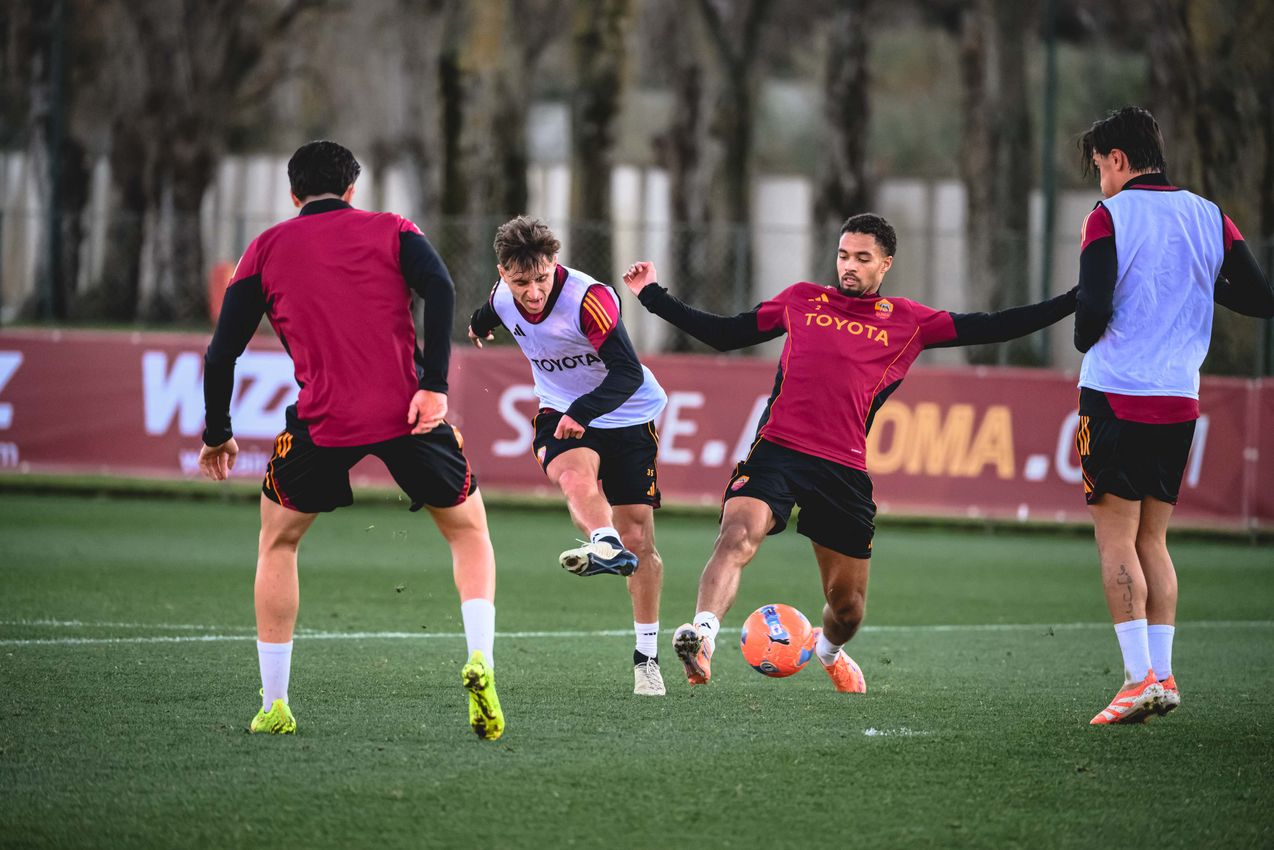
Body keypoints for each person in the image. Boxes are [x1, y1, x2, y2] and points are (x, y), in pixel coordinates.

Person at [621, 213, 1076, 693]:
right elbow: (726, 334)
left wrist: (1071, 301)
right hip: (777, 451)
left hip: (842, 470)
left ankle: (829, 650)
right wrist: (653, 294)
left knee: (848, 608)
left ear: (885, 265)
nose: (849, 266)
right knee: (736, 535)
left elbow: (994, 326)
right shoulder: (801, 300)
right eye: (843, 256)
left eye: (862, 258)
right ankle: (703, 635)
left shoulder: (909, 321)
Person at [198, 140, 505, 739]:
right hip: (409, 412)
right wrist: (435, 385)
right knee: (469, 534)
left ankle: (276, 703)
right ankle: (480, 660)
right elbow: (441, 288)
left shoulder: (264, 248)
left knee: (278, 545)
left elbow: (221, 352)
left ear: (293, 194)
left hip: (321, 420)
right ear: (352, 189)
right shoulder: (392, 230)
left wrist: (218, 431)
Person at [1073, 107, 1274, 725]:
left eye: (1099, 166)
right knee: (1153, 539)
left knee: (1115, 541)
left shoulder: (1107, 217)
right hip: (1179, 401)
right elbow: (1263, 299)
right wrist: (1199, 285)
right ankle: (1163, 675)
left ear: (1117, 160)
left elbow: (1088, 325)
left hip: (1114, 396)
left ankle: (1137, 680)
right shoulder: (1210, 215)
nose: (1098, 180)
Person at [467, 216, 669, 696]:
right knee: (575, 477)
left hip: (626, 413)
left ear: (554, 263)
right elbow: (492, 309)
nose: (532, 293)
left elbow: (626, 373)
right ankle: (602, 541)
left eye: (540, 279)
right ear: (503, 273)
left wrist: (585, 411)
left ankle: (646, 660)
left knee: (638, 538)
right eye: (520, 282)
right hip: (559, 411)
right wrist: (479, 323)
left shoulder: (590, 300)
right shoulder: (502, 295)